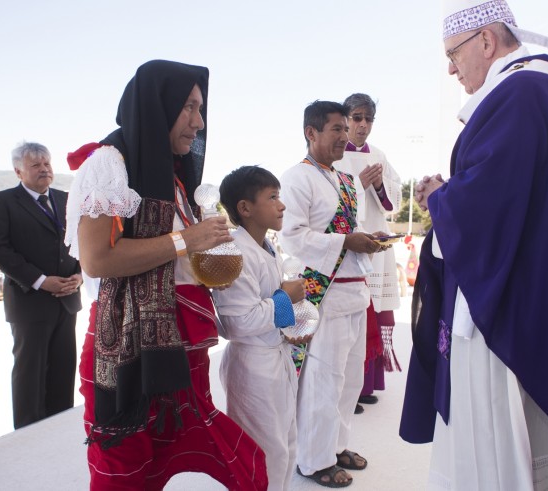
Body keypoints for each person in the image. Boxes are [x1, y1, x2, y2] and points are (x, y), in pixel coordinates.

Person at [400, 1, 548, 489]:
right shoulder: (541, 93)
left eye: (453, 54)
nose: (451, 68)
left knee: (501, 446)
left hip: (506, 310)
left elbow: (487, 210)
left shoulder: (521, 93)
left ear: (487, 42)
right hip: (543, 297)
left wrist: (440, 198)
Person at [64, 59, 267, 490]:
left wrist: (210, 259)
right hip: (128, 345)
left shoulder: (171, 176)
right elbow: (97, 259)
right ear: (159, 107)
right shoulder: (109, 162)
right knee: (127, 463)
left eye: (200, 108)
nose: (199, 121)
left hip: (176, 343)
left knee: (161, 456)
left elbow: (176, 260)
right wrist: (187, 241)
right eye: (189, 108)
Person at [279, 100, 389, 488]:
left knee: (349, 381)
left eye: (347, 128)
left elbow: (349, 232)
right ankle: (313, 459)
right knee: (322, 381)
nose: (346, 136)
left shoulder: (344, 180)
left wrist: (366, 239)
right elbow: (290, 238)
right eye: (337, 129)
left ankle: (336, 446)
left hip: (354, 292)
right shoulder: (296, 178)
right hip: (322, 294)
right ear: (311, 132)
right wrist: (348, 242)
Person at [213, 165, 306, 491]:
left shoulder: (267, 247)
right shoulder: (233, 252)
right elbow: (237, 323)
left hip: (274, 359)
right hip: (253, 365)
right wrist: (286, 297)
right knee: (263, 452)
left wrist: (294, 323)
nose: (281, 205)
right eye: (272, 197)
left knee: (286, 444)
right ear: (245, 208)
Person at [0, 142, 82, 429]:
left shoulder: (67, 199)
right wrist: (41, 281)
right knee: (31, 374)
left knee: (63, 370)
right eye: (36, 165)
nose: (44, 169)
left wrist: (78, 275)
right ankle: (28, 434)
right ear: (18, 171)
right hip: (30, 303)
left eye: (47, 163)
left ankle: (58, 427)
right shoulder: (1, 202)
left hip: (67, 298)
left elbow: (80, 241)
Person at [337, 93, 403, 414]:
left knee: (375, 314)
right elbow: (331, 199)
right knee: (356, 315)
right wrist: (358, 184)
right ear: (346, 119)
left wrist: (378, 186)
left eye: (369, 119)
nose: (363, 125)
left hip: (378, 243)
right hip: (350, 246)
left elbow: (395, 198)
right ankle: (351, 386)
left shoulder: (379, 154)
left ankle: (367, 386)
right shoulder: (334, 155)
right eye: (357, 118)